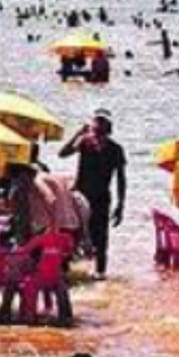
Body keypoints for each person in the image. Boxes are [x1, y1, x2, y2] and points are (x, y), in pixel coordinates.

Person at [59, 109, 126, 278]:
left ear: (109, 127)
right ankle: (66, 270)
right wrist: (78, 133)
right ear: (93, 125)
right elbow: (62, 154)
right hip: (81, 196)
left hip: (101, 198)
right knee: (73, 233)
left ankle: (100, 272)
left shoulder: (115, 149)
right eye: (97, 122)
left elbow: (121, 179)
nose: (100, 126)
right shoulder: (84, 142)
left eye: (103, 122)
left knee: (101, 237)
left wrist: (120, 205)